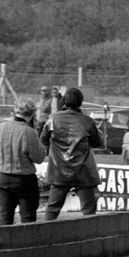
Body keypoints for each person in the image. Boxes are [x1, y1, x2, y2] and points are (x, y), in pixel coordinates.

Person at [41, 87, 104, 220]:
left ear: (64, 101)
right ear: (80, 102)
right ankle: (90, 237)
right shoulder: (87, 121)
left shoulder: (52, 119)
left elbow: (43, 139)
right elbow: (98, 142)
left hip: (59, 170)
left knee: (52, 210)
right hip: (83, 171)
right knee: (89, 211)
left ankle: (46, 237)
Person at [0, 98, 47, 225]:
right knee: (28, 219)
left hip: (3, 177)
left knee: (5, 218)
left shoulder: (1, 127)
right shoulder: (29, 132)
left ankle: (3, 244)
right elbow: (38, 158)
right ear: (31, 113)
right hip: (24, 179)